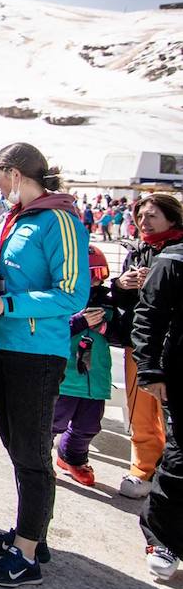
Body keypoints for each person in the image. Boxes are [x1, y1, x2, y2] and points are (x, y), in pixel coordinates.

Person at [0, 143, 89, 589]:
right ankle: (27, 533)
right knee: (17, 448)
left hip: (37, 353)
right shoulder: (13, 219)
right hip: (2, 345)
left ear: (17, 174)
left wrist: (9, 303)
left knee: (33, 454)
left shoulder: (60, 221)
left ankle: (27, 554)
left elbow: (73, 293)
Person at [112, 193, 183, 498]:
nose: (144, 222)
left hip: (176, 347)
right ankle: (143, 469)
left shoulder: (177, 253)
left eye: (152, 216)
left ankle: (171, 473)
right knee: (141, 412)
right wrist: (122, 283)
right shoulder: (138, 250)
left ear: (172, 218)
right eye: (140, 216)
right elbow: (127, 305)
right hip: (140, 346)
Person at [130, 234, 183, 581]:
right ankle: (162, 538)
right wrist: (149, 369)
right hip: (177, 375)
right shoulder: (174, 260)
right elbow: (148, 316)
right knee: (179, 460)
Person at [52, 245, 116, 488]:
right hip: (66, 378)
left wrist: (107, 326)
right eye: (85, 274)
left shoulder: (108, 302)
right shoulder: (62, 299)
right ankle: (39, 458)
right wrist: (78, 322)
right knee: (53, 422)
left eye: (97, 274)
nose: (92, 281)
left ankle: (72, 457)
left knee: (89, 425)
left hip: (95, 378)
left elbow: (128, 330)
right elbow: (48, 331)